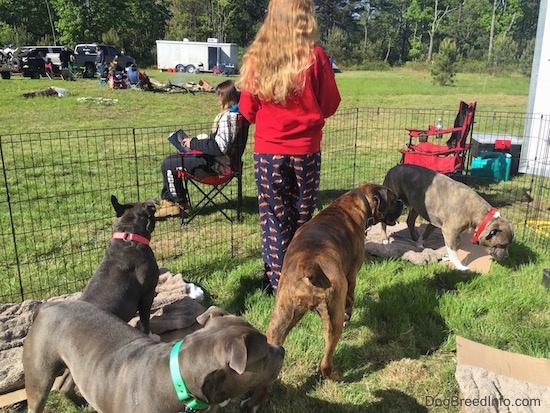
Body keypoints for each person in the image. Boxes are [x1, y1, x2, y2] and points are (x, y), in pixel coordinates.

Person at [238, 0, 341, 295]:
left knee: (273, 216)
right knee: (303, 216)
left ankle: (276, 282)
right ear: (304, 17)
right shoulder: (315, 57)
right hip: (306, 151)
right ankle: (302, 277)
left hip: (268, 151)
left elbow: (247, 110)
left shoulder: (257, 58)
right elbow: (330, 103)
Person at [155, 79, 241, 218]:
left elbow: (219, 148)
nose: (218, 100)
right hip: (223, 163)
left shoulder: (228, 118)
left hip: (216, 168)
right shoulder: (238, 115)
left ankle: (179, 204)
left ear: (227, 97)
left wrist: (193, 143)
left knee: (169, 164)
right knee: (172, 159)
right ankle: (168, 202)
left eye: (220, 97)